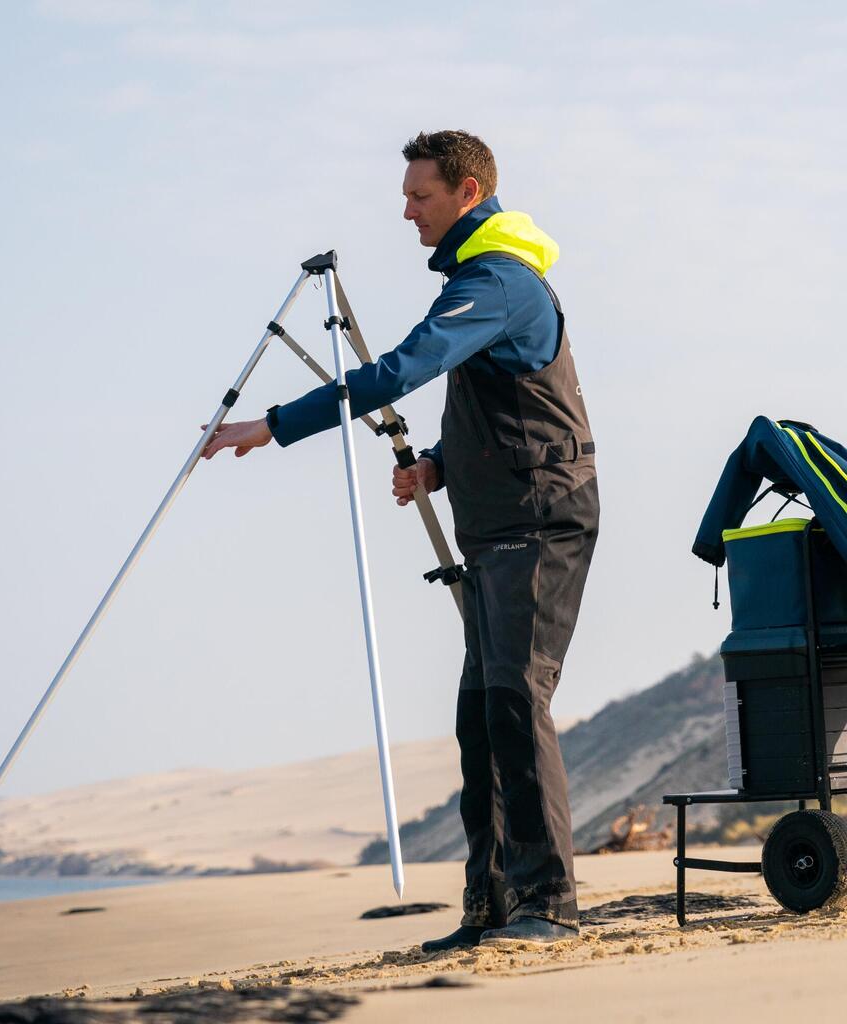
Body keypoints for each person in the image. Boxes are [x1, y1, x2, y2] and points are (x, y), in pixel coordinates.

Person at [201, 130, 599, 948]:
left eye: (420, 195)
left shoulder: (500, 282)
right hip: (494, 522)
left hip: (540, 520)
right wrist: (441, 468)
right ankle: (490, 906)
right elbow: (509, 404)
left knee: (519, 700)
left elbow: (398, 373)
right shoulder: (479, 281)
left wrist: (273, 426)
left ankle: (549, 902)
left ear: (469, 190)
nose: (407, 210)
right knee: (481, 716)